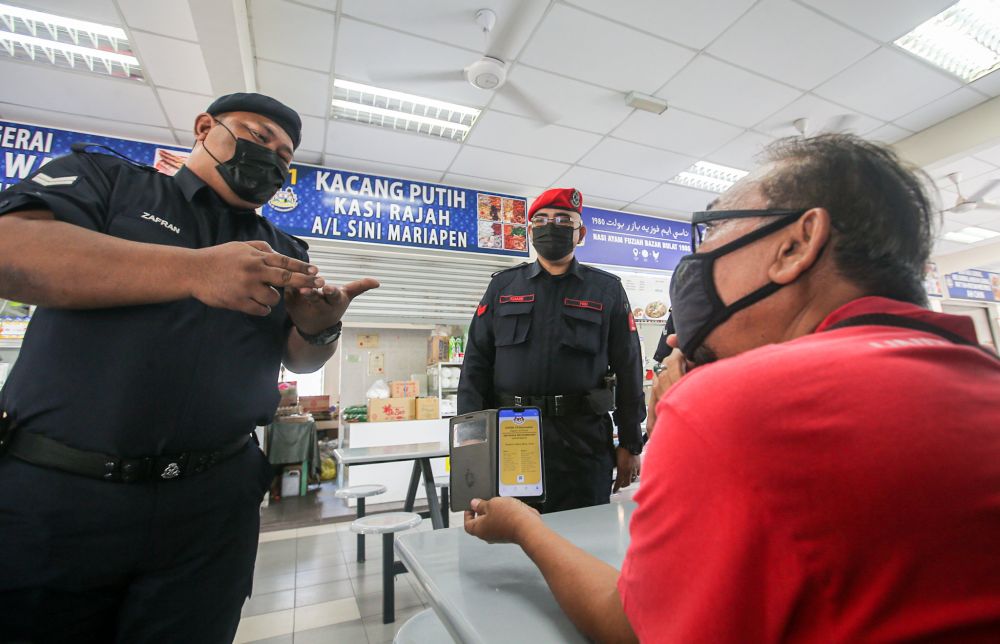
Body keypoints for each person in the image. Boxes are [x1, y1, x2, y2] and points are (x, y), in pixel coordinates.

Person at [463, 134, 1000, 642]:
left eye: (718, 230)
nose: (700, 259)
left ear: (795, 245)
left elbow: (635, 627)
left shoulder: (724, 402)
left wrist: (527, 528)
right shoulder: (981, 371)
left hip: (580, 439)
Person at [0, 92, 378, 643]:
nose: (271, 156)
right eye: (257, 135)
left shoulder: (282, 247)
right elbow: (12, 250)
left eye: (284, 153)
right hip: (60, 496)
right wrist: (195, 271)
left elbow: (298, 359)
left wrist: (318, 328)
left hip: (211, 505)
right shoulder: (110, 182)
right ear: (205, 127)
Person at [458, 187, 645, 513]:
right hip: (512, 438)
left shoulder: (606, 290)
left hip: (583, 442)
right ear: (530, 231)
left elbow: (629, 367)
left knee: (583, 543)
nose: (551, 226)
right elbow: (475, 365)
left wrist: (631, 443)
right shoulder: (503, 287)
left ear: (580, 232)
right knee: (513, 540)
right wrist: (470, 447)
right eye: (541, 220)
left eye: (562, 219)